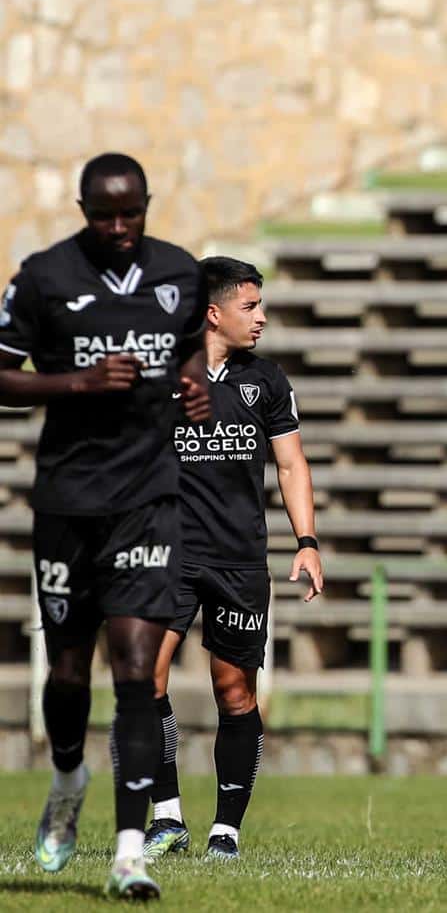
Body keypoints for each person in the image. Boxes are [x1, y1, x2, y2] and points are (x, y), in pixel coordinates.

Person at [0, 153, 210, 900]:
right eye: (103, 215)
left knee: (133, 666)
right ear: (83, 208)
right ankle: (66, 777)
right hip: (67, 499)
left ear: (148, 204)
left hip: (147, 499)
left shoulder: (181, 274)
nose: (118, 227)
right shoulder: (45, 277)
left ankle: (129, 852)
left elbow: (192, 348)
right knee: (66, 672)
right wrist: (75, 382)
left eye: (131, 213)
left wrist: (193, 383)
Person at [142, 256, 322, 861]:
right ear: (213, 312)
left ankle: (226, 829)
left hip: (240, 561)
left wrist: (307, 542)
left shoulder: (265, 380)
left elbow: (293, 465)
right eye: (251, 307)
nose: (262, 317)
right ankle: (166, 816)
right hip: (167, 553)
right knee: (146, 677)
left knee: (236, 693)